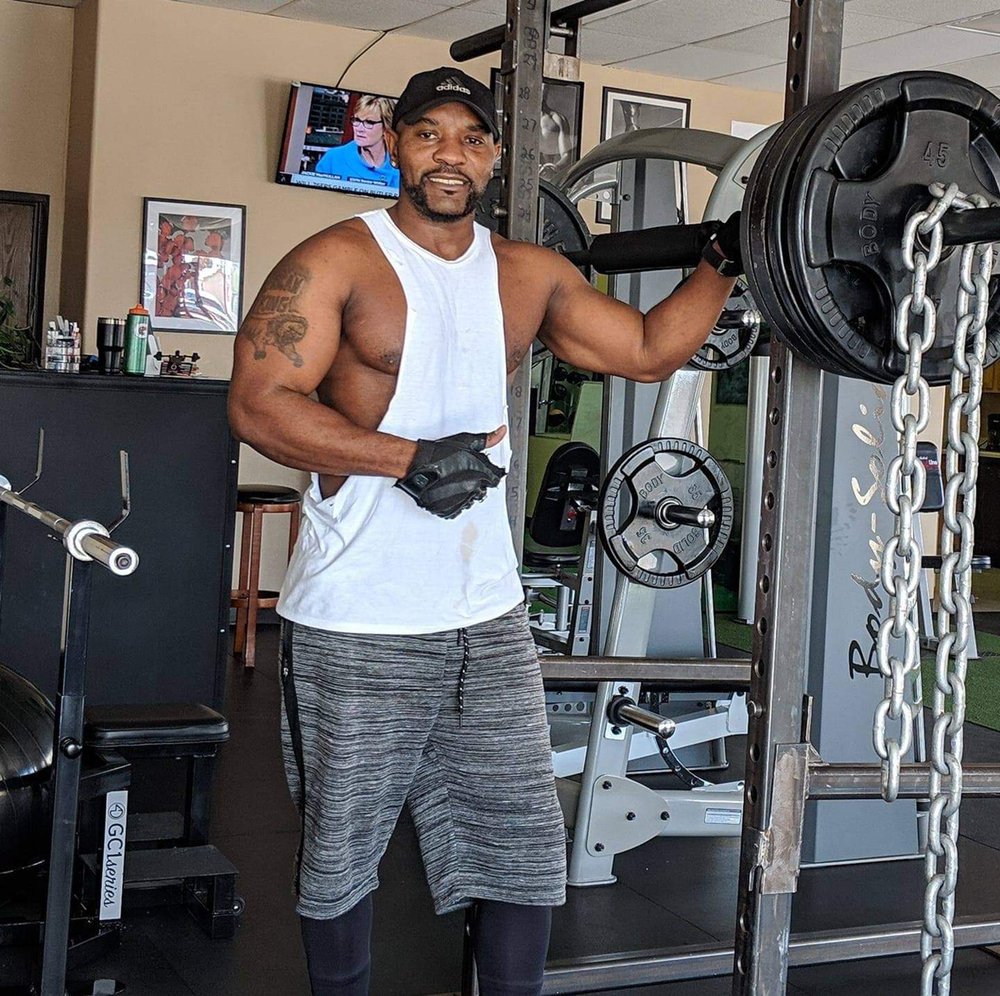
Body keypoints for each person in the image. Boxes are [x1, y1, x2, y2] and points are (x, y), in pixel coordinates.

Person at [227, 66, 742, 995]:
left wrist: (727, 261)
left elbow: (646, 350)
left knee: (523, 848)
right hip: (359, 617)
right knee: (343, 851)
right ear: (394, 144)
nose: (450, 156)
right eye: (429, 134)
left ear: (496, 155)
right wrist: (407, 458)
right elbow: (259, 404)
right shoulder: (336, 260)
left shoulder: (529, 275)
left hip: (486, 617)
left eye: (470, 138)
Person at [314, 94, 399, 191]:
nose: (359, 128)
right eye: (356, 120)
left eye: (369, 122)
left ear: (386, 128)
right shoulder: (333, 158)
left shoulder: (402, 165)